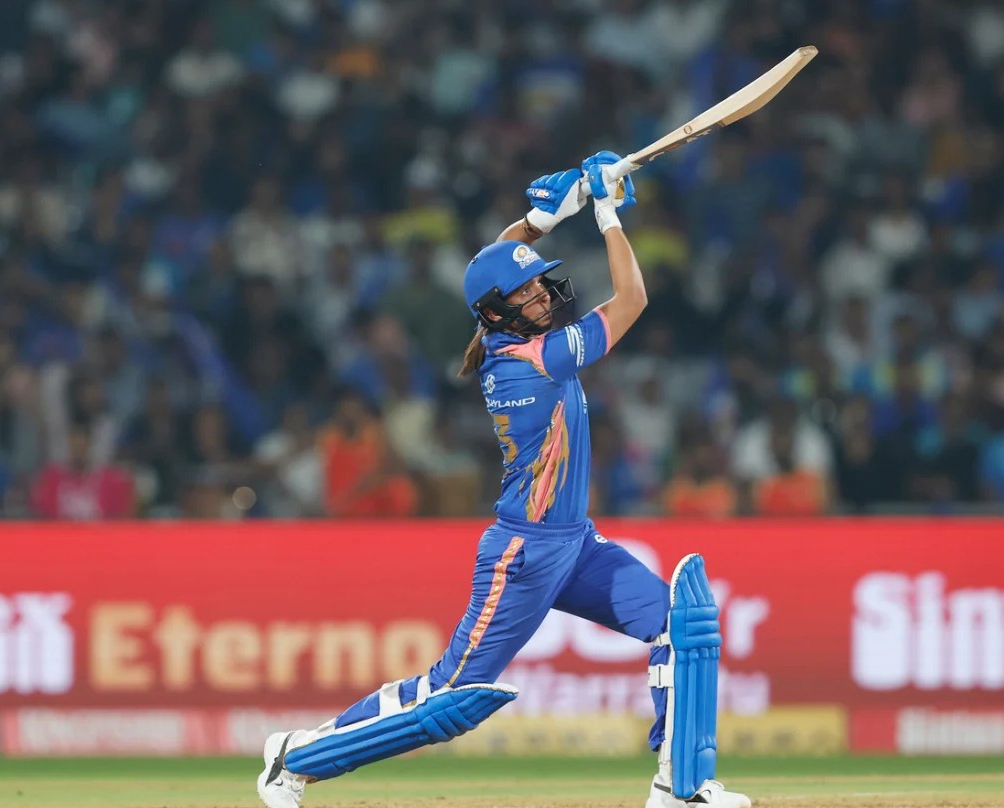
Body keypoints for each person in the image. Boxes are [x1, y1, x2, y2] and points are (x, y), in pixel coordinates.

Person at [257, 152, 751, 808]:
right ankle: (295, 759)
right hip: (524, 554)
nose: (542, 295)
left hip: (574, 543)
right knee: (450, 698)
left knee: (680, 624)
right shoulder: (531, 361)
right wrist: (606, 214)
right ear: (497, 313)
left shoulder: (512, 331)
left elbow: (492, 263)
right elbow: (633, 300)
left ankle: (679, 788)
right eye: (526, 294)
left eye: (541, 284)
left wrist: (544, 217)